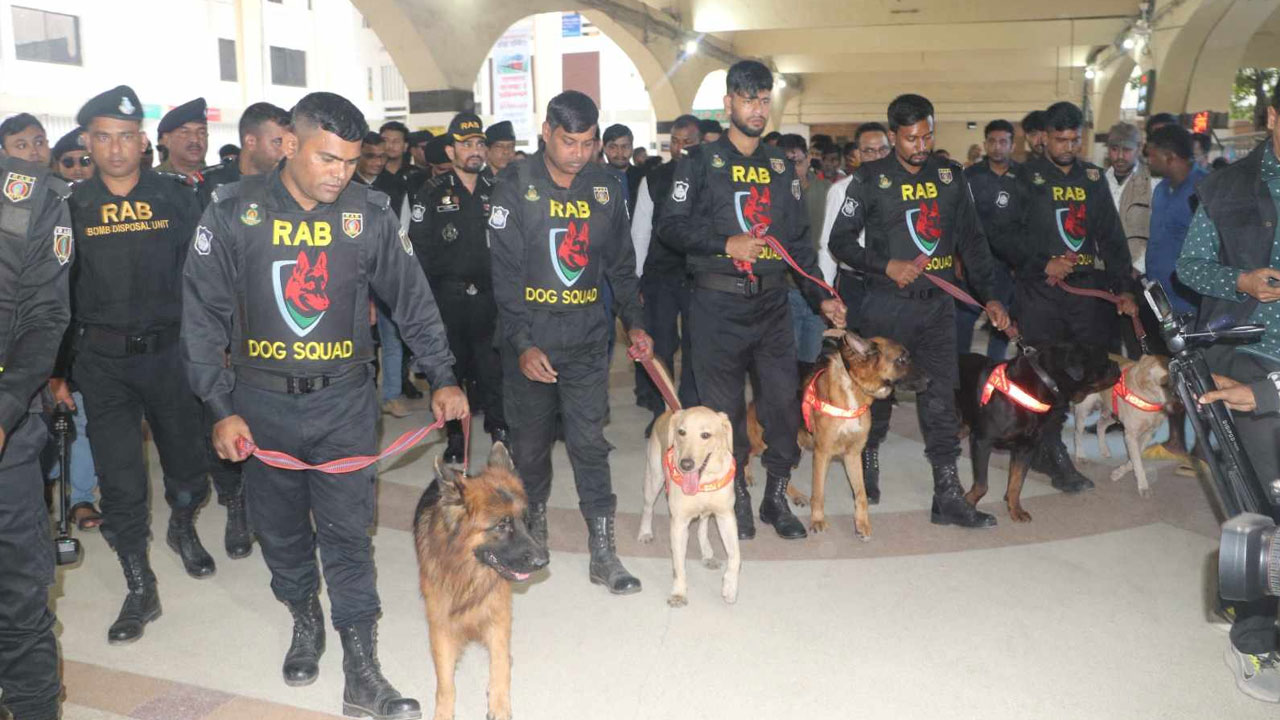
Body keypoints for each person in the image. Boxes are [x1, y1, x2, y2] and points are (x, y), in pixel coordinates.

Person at [183, 91, 463, 719]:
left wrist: (443, 374)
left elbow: (412, 299)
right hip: (260, 406)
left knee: (348, 537)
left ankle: (361, 669)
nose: (341, 173)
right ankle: (304, 615)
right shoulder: (233, 212)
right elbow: (201, 319)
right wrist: (219, 406)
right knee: (280, 534)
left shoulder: (368, 214)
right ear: (288, 144)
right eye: (327, 158)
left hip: (343, 402)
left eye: (351, 161)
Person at [661, 61, 845, 541]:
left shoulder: (781, 166)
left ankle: (775, 497)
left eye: (764, 100)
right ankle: (737, 497)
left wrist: (821, 296)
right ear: (728, 104)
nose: (758, 110)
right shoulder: (698, 162)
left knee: (782, 406)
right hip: (715, 306)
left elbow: (799, 243)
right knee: (724, 414)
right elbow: (671, 227)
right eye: (748, 100)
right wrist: (725, 244)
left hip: (771, 306)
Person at [68, 86, 218, 646]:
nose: (115, 149)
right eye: (103, 137)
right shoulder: (70, 206)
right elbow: (58, 292)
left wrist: (213, 346)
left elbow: (203, 279)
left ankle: (182, 524)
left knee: (188, 465)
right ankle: (139, 584)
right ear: (88, 142)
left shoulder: (177, 199)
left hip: (170, 355)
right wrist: (58, 371)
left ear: (142, 142)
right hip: (101, 362)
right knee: (120, 480)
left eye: (125, 137)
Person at [488, 90, 653, 593]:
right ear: (546, 133)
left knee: (590, 445)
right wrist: (522, 344)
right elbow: (505, 276)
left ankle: (603, 552)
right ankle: (532, 533)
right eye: (568, 142)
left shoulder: (605, 187)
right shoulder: (514, 185)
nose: (579, 154)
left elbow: (620, 265)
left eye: (588, 143)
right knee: (531, 448)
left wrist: (636, 322)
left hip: (586, 337)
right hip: (532, 337)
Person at [828, 93, 1009, 525]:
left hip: (937, 309)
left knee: (941, 399)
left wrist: (991, 295)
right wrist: (885, 265)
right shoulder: (870, 178)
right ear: (893, 136)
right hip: (886, 307)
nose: (921, 146)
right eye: (911, 139)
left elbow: (973, 241)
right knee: (879, 396)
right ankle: (868, 461)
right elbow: (840, 242)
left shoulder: (950, 176)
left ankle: (946, 495)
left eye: (927, 136)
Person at [1175, 92, 1280, 702]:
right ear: (1272, 117)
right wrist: (1240, 279)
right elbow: (1190, 267)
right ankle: (1255, 637)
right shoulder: (1227, 188)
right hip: (1246, 353)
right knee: (1262, 504)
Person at [1005, 101, 1137, 491]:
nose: (1068, 147)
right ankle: (1048, 449)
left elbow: (1112, 238)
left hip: (1085, 293)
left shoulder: (1092, 179)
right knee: (1042, 372)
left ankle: (1050, 440)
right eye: (1060, 139)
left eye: (1074, 139)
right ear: (1043, 137)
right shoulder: (1023, 178)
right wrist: (1042, 263)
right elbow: (1004, 237)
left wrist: (1123, 288)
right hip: (1041, 292)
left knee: (1078, 372)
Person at [0, 152, 72, 720]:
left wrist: (3, 411)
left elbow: (45, 316)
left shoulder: (30, 197)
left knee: (18, 600)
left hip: (7, 433)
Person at [406, 112, 507, 462]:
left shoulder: (498, 189)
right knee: (451, 371)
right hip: (448, 298)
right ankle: (454, 440)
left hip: (492, 297)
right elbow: (418, 250)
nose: (475, 150)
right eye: (466, 145)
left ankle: (500, 433)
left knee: (494, 370)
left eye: (479, 144)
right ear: (451, 151)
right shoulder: (432, 192)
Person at [631, 113, 701, 431]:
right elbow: (640, 231)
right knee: (660, 344)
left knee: (696, 343)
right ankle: (664, 413)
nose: (679, 147)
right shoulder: (654, 178)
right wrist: (636, 279)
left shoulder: (710, 175)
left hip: (699, 274)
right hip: (660, 273)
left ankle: (690, 409)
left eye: (687, 142)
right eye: (674, 141)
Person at [48, 128, 101, 530]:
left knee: (81, 419)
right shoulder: (46, 208)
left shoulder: (104, 206)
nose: (79, 169)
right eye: (70, 162)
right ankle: (46, 484)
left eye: (85, 161)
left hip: (88, 333)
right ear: (56, 166)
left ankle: (80, 498)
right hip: (46, 328)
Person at [958, 119, 1020, 360]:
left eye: (1003, 142)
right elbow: (957, 220)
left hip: (1009, 263)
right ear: (985, 144)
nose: (997, 147)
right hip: (973, 259)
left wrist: (1022, 261)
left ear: (1012, 145)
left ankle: (996, 370)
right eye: (992, 141)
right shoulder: (970, 176)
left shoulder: (1023, 177)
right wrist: (957, 257)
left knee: (1002, 321)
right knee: (964, 317)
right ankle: (962, 368)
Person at [819, 122, 891, 329]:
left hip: (893, 283)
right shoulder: (841, 191)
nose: (877, 156)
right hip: (855, 286)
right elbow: (827, 246)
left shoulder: (901, 190)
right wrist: (827, 292)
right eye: (869, 151)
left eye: (883, 150)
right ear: (858, 154)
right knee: (856, 346)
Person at [780, 133, 828, 376]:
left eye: (797, 162)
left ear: (809, 159)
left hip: (819, 287)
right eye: (786, 165)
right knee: (785, 362)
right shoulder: (774, 196)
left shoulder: (828, 192)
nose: (793, 170)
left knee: (811, 362)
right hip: (784, 289)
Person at [198, 102, 290, 208]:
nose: (285, 151)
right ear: (251, 142)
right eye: (278, 142)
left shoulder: (288, 185)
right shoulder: (207, 184)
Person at [1103, 122, 1151, 274]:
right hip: (1100, 269)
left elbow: (1160, 233)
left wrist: (1139, 267)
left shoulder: (1152, 183)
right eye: (1114, 149)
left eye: (1127, 150)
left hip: (1137, 270)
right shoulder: (1098, 182)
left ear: (1139, 149)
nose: (1120, 156)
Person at [155, 97, 209, 178]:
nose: (195, 139)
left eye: (201, 133)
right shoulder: (151, 181)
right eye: (185, 132)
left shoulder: (221, 180)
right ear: (166, 140)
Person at [601, 123, 641, 213]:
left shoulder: (644, 178)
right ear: (604, 149)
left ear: (632, 148)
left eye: (625, 147)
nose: (619, 152)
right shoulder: (596, 179)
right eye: (613, 147)